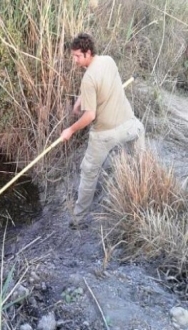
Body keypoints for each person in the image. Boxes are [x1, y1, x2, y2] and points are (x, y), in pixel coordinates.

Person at [60, 33, 145, 229]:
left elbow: (89, 116)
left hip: (104, 134)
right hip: (128, 126)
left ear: (87, 53)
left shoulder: (88, 79)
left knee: (89, 172)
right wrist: (81, 98)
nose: (74, 60)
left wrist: (70, 130)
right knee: (140, 132)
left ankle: (78, 220)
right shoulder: (108, 61)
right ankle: (140, 179)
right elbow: (100, 85)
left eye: (77, 56)